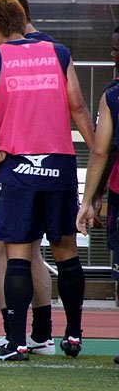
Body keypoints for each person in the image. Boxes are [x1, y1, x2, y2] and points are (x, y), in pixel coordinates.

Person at [0, 0, 94, 360]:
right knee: (66, 252)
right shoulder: (58, 53)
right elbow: (77, 105)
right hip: (59, 164)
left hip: (19, 165)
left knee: (18, 254)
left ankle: (16, 343)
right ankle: (73, 335)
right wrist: (98, 152)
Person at [0, 0, 59, 357]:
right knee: (33, 251)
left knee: (1, 250)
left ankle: (13, 335)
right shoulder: (53, 51)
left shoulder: (0, 56)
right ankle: (42, 334)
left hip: (12, 162)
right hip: (51, 163)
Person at [76, 26, 119, 363]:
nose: (112, 54)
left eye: (116, 48)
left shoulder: (113, 96)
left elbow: (102, 150)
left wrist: (90, 199)